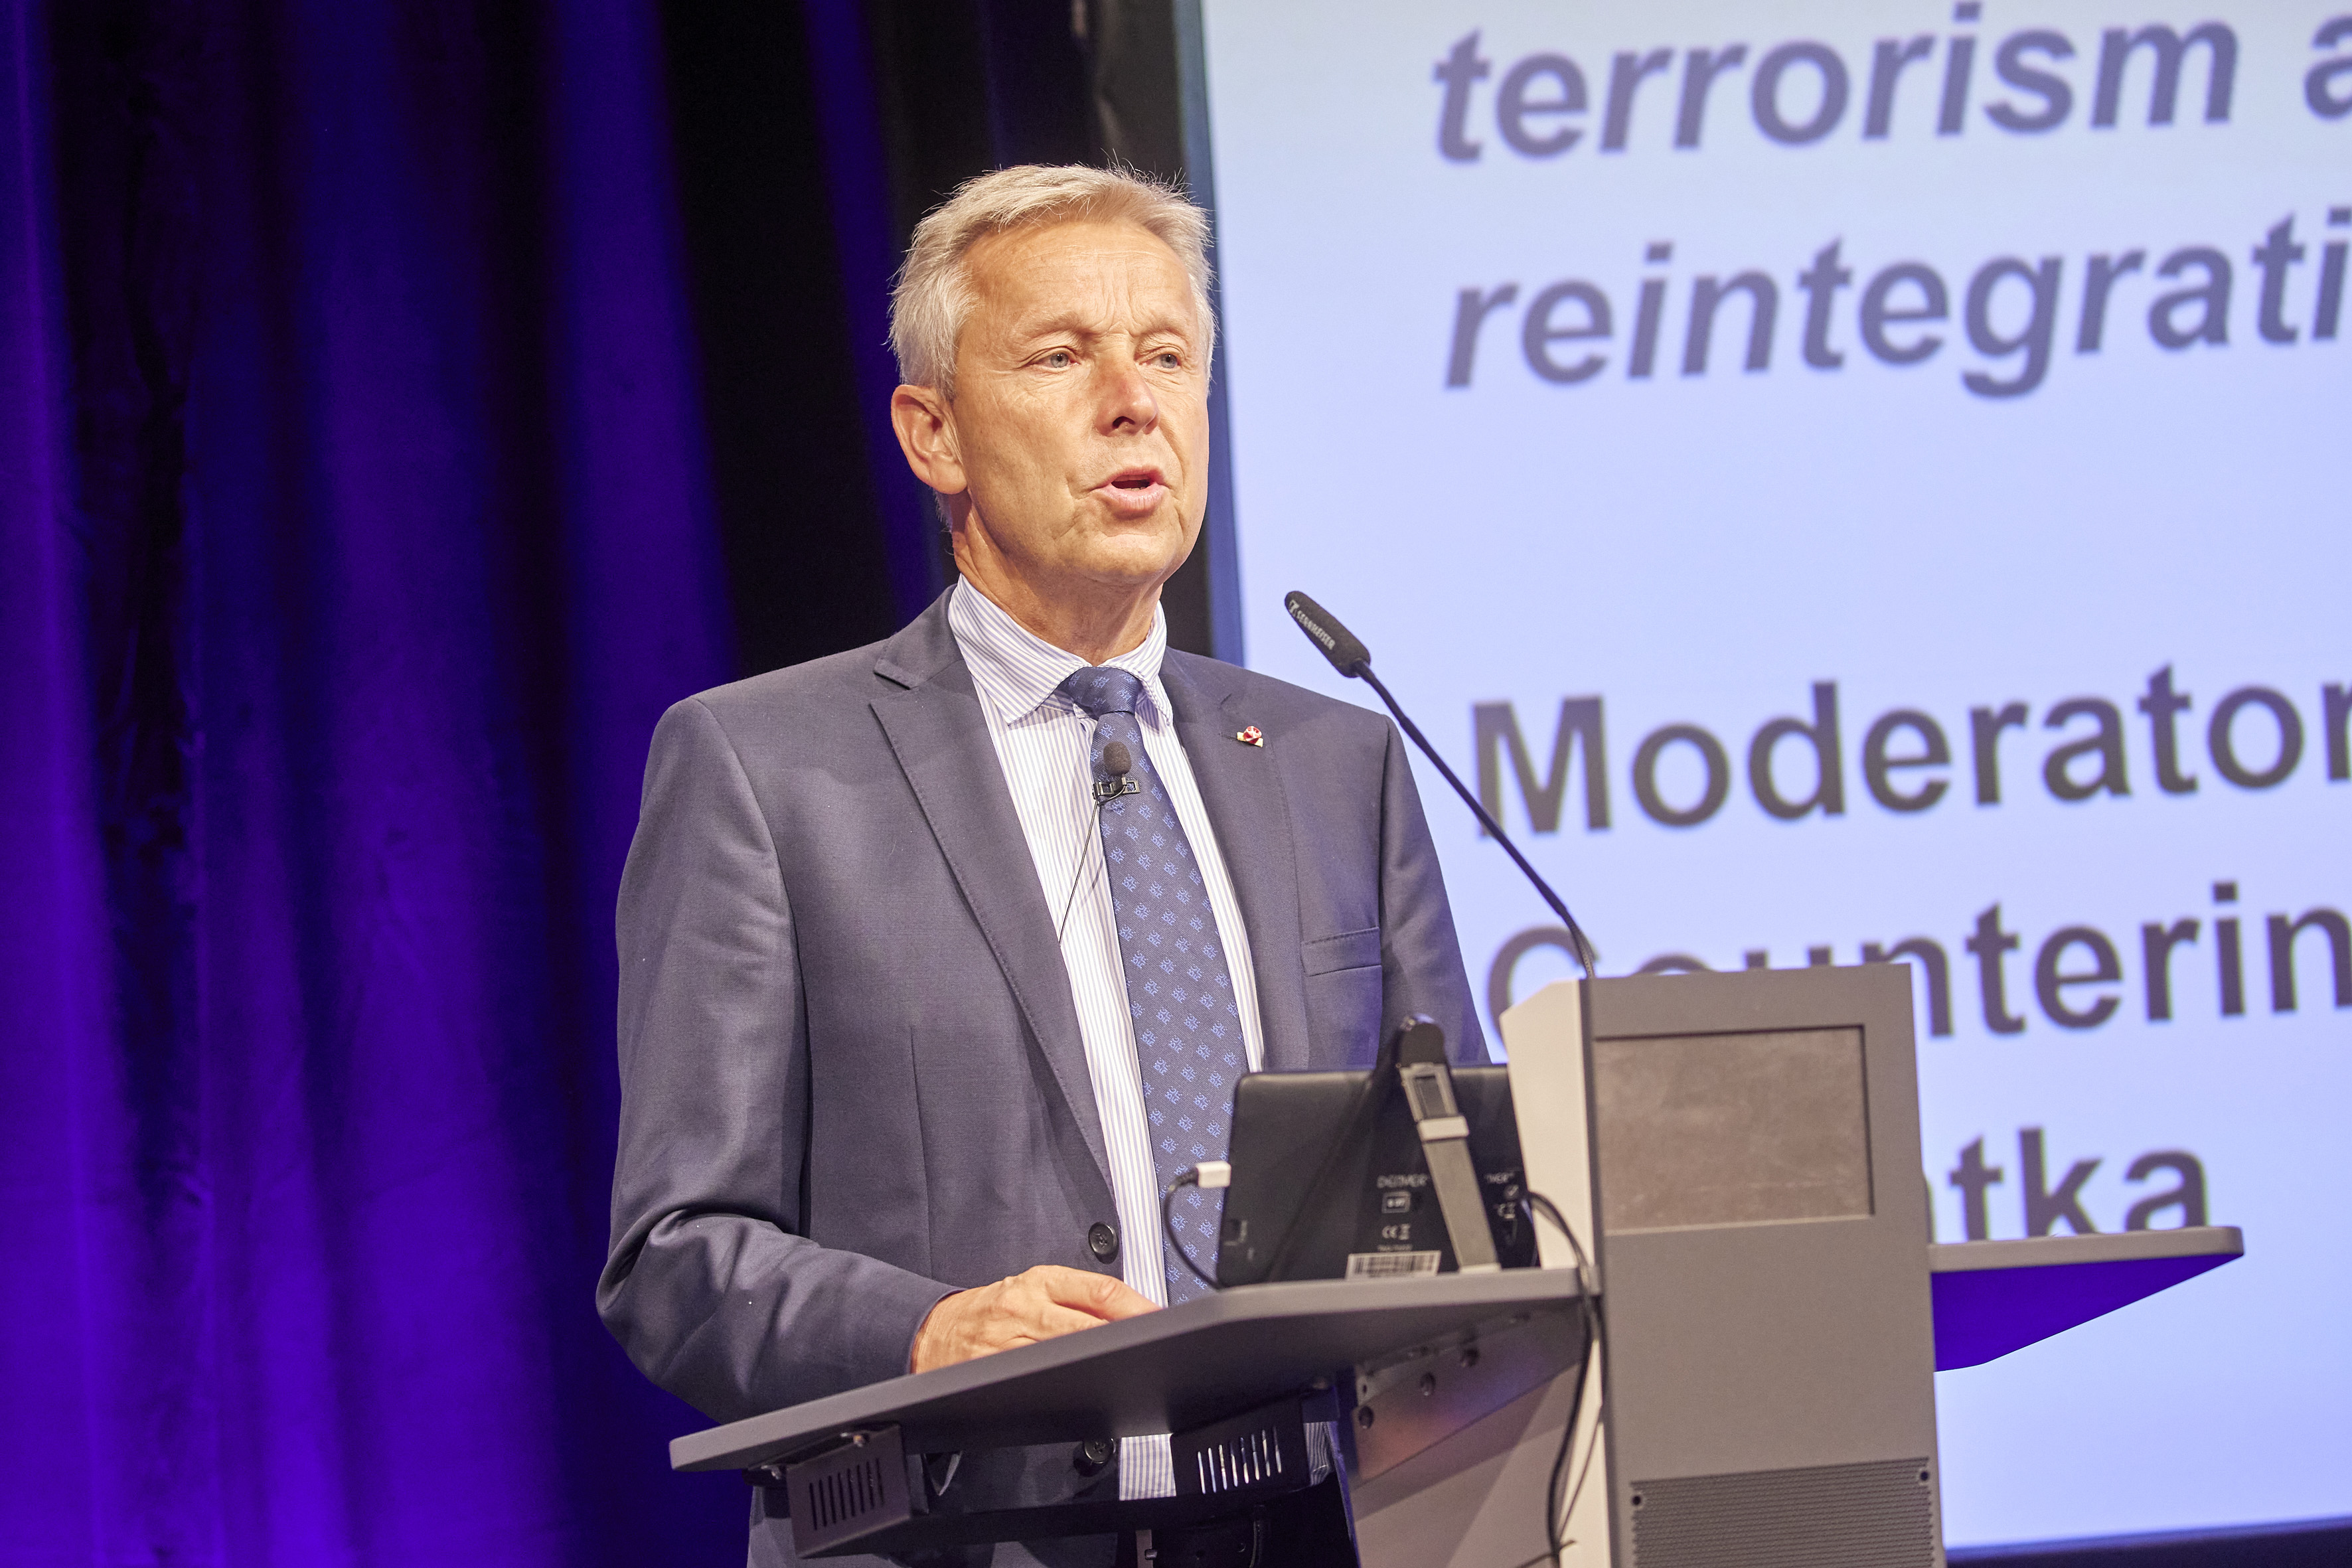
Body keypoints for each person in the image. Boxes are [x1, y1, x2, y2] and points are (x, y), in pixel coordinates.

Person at [599, 164, 1484, 1568]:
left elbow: (1457, 1194)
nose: (1133, 402)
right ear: (934, 433)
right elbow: (677, 1254)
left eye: (1168, 357)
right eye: (1063, 356)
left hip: (1317, 1532)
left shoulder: (1336, 761)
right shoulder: (765, 770)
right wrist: (925, 1330)